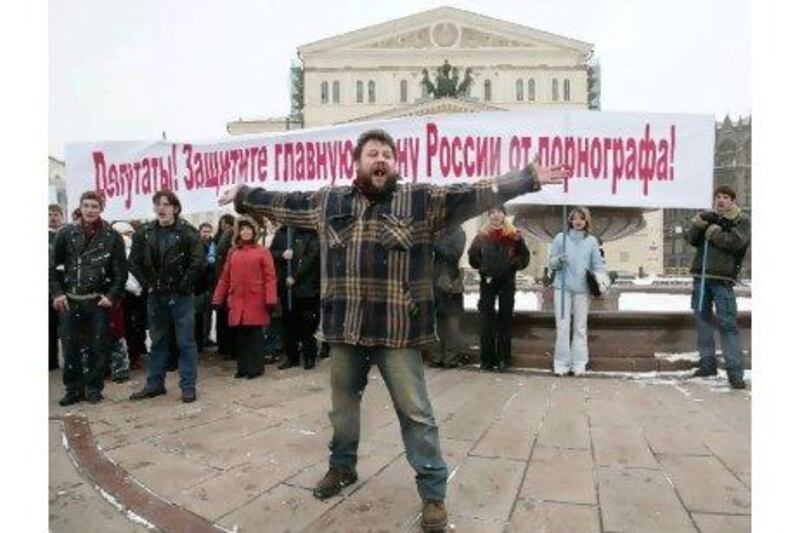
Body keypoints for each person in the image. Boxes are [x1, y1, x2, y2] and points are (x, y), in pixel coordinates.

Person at [219, 128, 566, 532]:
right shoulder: (327, 202)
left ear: (396, 164)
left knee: (417, 414)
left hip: (398, 333)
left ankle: (433, 494)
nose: (379, 159)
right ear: (357, 163)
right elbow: (282, 203)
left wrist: (528, 177)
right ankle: (342, 466)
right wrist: (244, 193)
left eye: (386, 153)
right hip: (345, 331)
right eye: (372, 153)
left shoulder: (421, 201)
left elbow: (475, 193)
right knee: (343, 409)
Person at [49, 191, 127, 405]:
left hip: (97, 300)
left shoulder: (112, 237)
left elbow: (121, 272)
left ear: (101, 208)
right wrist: (57, 293)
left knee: (97, 346)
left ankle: (94, 389)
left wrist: (111, 296)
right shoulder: (65, 234)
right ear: (80, 208)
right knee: (70, 347)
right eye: (86, 206)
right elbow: (51, 268)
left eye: (95, 206)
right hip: (70, 299)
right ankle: (73, 389)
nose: (90, 210)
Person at [129, 190, 204, 403]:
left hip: (181, 297)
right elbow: (133, 261)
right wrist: (147, 285)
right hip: (156, 295)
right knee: (158, 341)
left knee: (185, 342)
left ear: (175, 208)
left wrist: (183, 285)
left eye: (165, 204)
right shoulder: (144, 232)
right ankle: (155, 384)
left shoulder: (188, 232)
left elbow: (198, 262)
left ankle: (188, 386)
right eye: (157, 204)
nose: (161, 208)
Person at [685, 186, 750, 389]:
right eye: (718, 197)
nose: (721, 201)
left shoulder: (741, 220)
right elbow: (692, 240)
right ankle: (707, 365)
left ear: (732, 201)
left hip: (722, 280)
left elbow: (736, 242)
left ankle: (735, 373)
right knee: (703, 322)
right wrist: (697, 225)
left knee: (728, 325)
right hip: (701, 278)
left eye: (725, 197)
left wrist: (715, 234)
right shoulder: (709, 218)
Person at [212, 216, 277, 379]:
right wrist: (217, 299)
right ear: (238, 232)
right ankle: (243, 367)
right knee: (241, 336)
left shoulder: (263, 252)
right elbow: (225, 277)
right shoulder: (233, 252)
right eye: (242, 229)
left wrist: (271, 299)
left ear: (254, 231)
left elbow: (270, 277)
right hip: (237, 300)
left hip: (256, 299)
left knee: (254, 335)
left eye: (248, 228)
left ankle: (255, 367)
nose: (245, 232)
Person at [468, 205, 531, 372]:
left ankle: (503, 359)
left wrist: (513, 265)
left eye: (499, 212)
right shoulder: (481, 236)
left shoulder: (514, 235)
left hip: (507, 282)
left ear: (504, 215)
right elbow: (472, 258)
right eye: (492, 213)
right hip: (487, 282)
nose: (496, 215)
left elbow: (524, 257)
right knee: (486, 321)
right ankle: (487, 360)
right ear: (489, 216)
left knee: (505, 321)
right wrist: (482, 266)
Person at [548, 207, 606, 376]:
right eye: (575, 218)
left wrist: (600, 280)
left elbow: (598, 264)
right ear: (570, 221)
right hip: (563, 287)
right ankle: (561, 362)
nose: (578, 221)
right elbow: (551, 262)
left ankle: (579, 362)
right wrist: (558, 260)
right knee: (563, 326)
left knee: (580, 327)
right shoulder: (561, 238)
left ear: (586, 221)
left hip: (582, 290)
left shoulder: (592, 241)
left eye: (582, 218)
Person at [270, 224, 322, 370]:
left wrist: (295, 276)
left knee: (307, 323)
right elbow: (272, 252)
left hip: (307, 288)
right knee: (288, 323)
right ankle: (291, 356)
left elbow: (312, 257)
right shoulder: (282, 233)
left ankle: (309, 355)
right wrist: (282, 254)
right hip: (286, 288)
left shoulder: (310, 233)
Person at [429, 224, 467, 368]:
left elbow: (454, 255)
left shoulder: (458, 232)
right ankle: (436, 356)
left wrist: (434, 244)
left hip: (450, 282)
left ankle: (450, 358)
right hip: (432, 280)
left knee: (452, 323)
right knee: (435, 322)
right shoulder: (434, 231)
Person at [113, 221, 147, 370]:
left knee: (137, 327)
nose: (126, 237)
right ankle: (125, 358)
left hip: (138, 294)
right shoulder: (112, 251)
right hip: (121, 294)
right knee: (124, 327)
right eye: (123, 234)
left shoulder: (139, 249)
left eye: (129, 233)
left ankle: (135, 356)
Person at [213, 214, 236, 358]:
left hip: (223, 281)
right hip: (226, 282)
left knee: (225, 317)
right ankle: (227, 348)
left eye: (225, 223)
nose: (223, 226)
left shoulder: (223, 237)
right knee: (226, 317)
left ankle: (226, 348)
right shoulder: (227, 237)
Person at [194, 222, 217, 351]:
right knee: (199, 313)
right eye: (204, 231)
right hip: (200, 285)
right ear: (200, 232)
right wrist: (207, 263)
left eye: (209, 231)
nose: (207, 234)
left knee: (208, 312)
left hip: (210, 284)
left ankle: (206, 337)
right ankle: (200, 339)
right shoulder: (197, 245)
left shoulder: (212, 245)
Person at [49, 204, 66, 371]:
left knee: (67, 326)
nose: (53, 217)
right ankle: (50, 361)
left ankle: (70, 361)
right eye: (49, 214)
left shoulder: (67, 234)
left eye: (56, 214)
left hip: (65, 287)